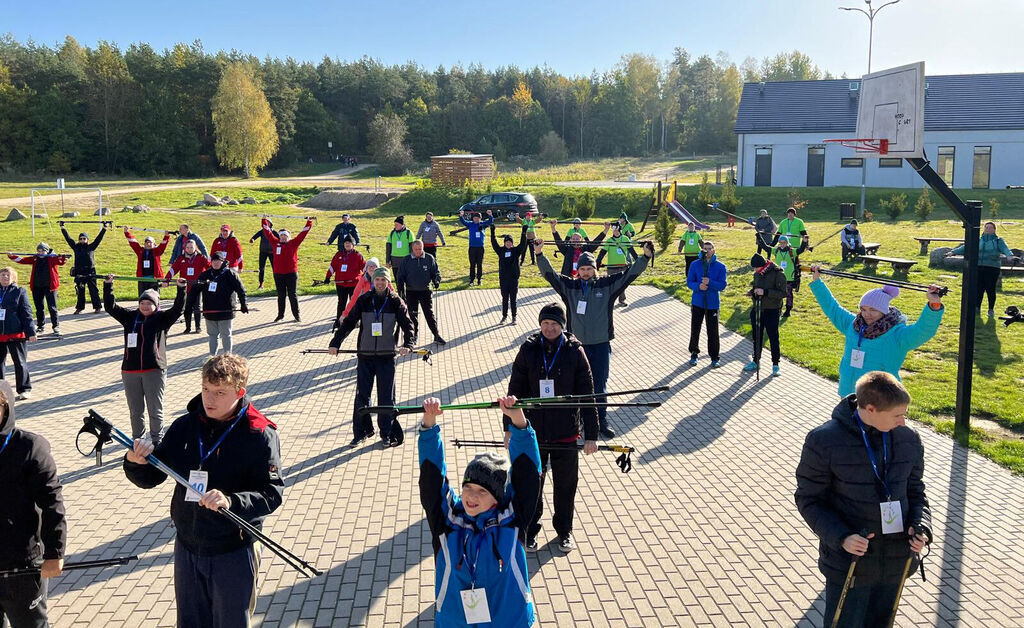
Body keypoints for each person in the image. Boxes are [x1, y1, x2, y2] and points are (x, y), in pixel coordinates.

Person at [124, 354, 283, 628]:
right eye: (206, 389)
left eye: (220, 392)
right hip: (188, 546)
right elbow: (153, 475)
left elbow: (272, 493)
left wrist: (232, 501)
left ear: (239, 391)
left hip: (233, 550)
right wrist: (134, 463)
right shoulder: (186, 426)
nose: (210, 399)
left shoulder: (259, 434)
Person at [795, 371, 932, 627]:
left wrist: (921, 526)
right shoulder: (824, 441)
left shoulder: (908, 438)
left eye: (904, 414)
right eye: (897, 415)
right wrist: (841, 537)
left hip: (895, 561)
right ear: (870, 408)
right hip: (851, 564)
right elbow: (809, 499)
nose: (903, 422)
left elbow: (916, 491)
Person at [418, 395, 541, 627]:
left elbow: (527, 475)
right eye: (467, 487)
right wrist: (429, 425)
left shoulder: (511, 520)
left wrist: (518, 421)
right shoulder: (448, 521)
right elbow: (431, 479)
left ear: (497, 498)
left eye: (483, 492)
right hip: (456, 621)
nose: (472, 496)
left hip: (510, 621)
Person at [537, 241, 653, 438]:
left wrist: (645, 257)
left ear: (595, 268)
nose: (585, 272)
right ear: (577, 270)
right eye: (582, 269)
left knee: (599, 384)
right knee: (575, 385)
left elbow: (630, 274)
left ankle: (601, 421)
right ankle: (578, 422)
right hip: (576, 347)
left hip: (600, 345)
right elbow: (551, 276)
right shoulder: (570, 287)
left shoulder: (607, 285)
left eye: (589, 268)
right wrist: (539, 255)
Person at [506, 302, 597, 553]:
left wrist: (592, 435)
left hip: (566, 432)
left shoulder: (575, 352)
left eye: (554, 324)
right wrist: (509, 429)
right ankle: (530, 530)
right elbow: (514, 393)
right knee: (531, 484)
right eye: (545, 323)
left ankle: (564, 531)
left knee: (566, 486)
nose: (549, 328)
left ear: (562, 326)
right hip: (533, 434)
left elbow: (588, 397)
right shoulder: (528, 349)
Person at [809, 266, 944, 397]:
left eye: (873, 309)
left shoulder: (897, 335)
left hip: (879, 399)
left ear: (884, 311)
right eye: (863, 309)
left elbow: (923, 330)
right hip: (848, 393)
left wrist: (934, 305)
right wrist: (817, 282)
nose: (867, 314)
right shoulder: (853, 325)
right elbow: (832, 308)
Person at [0, 380, 66, 628]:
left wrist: (55, 553)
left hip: (23, 565)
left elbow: (52, 502)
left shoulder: (31, 447)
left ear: (5, 409)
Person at [329, 267, 415, 447]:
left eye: (384, 280)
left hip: (386, 357)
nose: (380, 283)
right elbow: (349, 323)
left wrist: (408, 345)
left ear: (388, 282)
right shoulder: (364, 300)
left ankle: (387, 433)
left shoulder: (395, 301)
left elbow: (408, 325)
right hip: (365, 356)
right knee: (362, 396)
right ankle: (362, 432)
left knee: (386, 398)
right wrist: (335, 343)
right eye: (377, 280)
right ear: (373, 281)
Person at [104, 275, 187, 444]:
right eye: (142, 303)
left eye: (149, 303)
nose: (145, 306)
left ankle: (157, 441)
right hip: (130, 370)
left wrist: (181, 289)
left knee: (154, 409)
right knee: (135, 410)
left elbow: (178, 309)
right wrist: (108, 285)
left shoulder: (162, 319)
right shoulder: (130, 317)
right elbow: (110, 307)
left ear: (156, 305)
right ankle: (138, 440)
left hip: (153, 370)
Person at [946, 221, 1016, 317]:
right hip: (979, 267)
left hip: (992, 268)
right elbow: (966, 247)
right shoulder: (978, 240)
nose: (988, 229)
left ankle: (990, 309)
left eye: (990, 227)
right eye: (986, 227)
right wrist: (953, 252)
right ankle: (977, 308)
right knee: (979, 289)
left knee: (990, 289)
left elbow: (1005, 249)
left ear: (994, 230)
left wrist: (1010, 256)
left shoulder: (998, 241)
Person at [188, 252, 249, 356]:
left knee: (226, 335)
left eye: (218, 261)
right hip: (210, 311)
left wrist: (244, 304)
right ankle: (212, 356)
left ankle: (227, 356)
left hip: (226, 311)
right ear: (211, 262)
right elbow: (194, 291)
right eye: (214, 261)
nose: (216, 263)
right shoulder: (205, 275)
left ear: (222, 261)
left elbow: (241, 289)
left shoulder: (230, 274)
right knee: (212, 335)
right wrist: (188, 306)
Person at [262, 216, 313, 323]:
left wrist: (309, 222)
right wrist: (264, 220)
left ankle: (297, 315)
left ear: (288, 237)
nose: (283, 237)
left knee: (292, 295)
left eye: (285, 236)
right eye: (282, 236)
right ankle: (280, 315)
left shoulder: (293, 243)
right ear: (279, 237)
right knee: (281, 296)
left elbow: (303, 234)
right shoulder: (275, 243)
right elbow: (267, 232)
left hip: (291, 274)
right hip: (278, 274)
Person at [8, 245, 67, 336]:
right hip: (37, 287)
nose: (40, 253)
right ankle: (40, 326)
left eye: (42, 251)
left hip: (50, 287)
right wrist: (12, 256)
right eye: (38, 251)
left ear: (46, 251)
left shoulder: (52, 258)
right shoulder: (35, 258)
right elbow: (22, 260)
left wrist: (63, 257)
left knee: (52, 307)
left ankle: (56, 326)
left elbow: (61, 262)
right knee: (39, 308)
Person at [743, 254, 787, 377]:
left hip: (772, 310)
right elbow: (756, 287)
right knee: (757, 337)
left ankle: (775, 364)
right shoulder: (757, 274)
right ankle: (756, 361)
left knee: (773, 337)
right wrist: (752, 292)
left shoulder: (778, 273)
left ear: (763, 265)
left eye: (756, 268)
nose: (755, 270)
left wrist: (765, 292)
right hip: (757, 309)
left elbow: (783, 293)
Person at [395, 240, 445, 345]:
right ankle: (413, 336)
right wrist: (400, 288)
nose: (418, 251)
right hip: (411, 291)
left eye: (420, 249)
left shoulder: (429, 258)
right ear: (412, 249)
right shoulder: (407, 260)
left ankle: (436, 335)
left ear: (423, 248)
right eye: (416, 249)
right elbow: (400, 276)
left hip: (425, 291)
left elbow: (436, 272)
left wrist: (436, 280)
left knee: (429, 314)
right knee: (412, 316)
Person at [686, 241, 727, 367]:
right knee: (695, 328)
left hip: (712, 304)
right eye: (705, 248)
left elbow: (722, 285)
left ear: (714, 250)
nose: (707, 251)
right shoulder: (695, 264)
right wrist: (698, 286)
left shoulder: (720, 267)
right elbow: (689, 282)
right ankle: (694, 352)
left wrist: (710, 283)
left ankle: (714, 357)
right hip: (698, 302)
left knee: (713, 331)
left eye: (710, 249)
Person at [0, 267, 36, 401]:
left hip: (16, 332)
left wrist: (31, 331)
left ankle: (24, 389)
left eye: (7, 275)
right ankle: (1, 391)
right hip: (0, 334)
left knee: (20, 362)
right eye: (2, 275)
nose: (4, 277)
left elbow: (26, 312)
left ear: (13, 278)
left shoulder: (20, 291)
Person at [60, 221, 107, 314]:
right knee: (80, 291)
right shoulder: (76, 247)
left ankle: (97, 307)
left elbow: (99, 239)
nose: (82, 240)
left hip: (90, 271)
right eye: (80, 238)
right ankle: (80, 307)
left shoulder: (91, 247)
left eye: (84, 238)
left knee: (93, 290)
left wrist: (104, 228)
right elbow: (68, 239)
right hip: (79, 272)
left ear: (87, 239)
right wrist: (62, 227)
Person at [166, 240, 211, 334]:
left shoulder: (201, 257)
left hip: (197, 286)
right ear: (185, 248)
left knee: (197, 307)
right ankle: (188, 327)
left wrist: (211, 278)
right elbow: (173, 269)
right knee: (187, 308)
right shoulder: (181, 258)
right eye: (188, 247)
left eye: (191, 247)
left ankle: (198, 327)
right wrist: (167, 279)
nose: (190, 249)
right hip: (185, 287)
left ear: (195, 248)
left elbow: (210, 268)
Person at [325, 236, 365, 331]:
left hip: (354, 284)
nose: (347, 244)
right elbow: (332, 267)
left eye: (349, 243)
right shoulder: (339, 254)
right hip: (340, 284)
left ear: (353, 245)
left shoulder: (358, 255)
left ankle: (355, 321)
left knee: (354, 303)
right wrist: (327, 276)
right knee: (341, 303)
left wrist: (368, 278)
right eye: (346, 243)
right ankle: (339, 320)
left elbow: (364, 268)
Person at [491, 224, 529, 324]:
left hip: (513, 279)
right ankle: (504, 317)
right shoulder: (501, 251)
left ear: (512, 243)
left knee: (513, 300)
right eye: (506, 242)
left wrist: (523, 232)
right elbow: (494, 244)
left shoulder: (516, 251)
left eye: (510, 242)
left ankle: (514, 317)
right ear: (504, 243)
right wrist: (492, 232)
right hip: (503, 279)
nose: (508, 243)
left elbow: (522, 244)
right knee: (504, 299)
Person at [596, 223, 638, 307]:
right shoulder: (609, 241)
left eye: (616, 230)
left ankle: (621, 300)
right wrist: (598, 261)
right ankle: (609, 301)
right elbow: (602, 252)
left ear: (619, 230)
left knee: (621, 284)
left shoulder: (625, 239)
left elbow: (632, 251)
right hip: (611, 267)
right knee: (610, 284)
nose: (614, 232)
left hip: (622, 266)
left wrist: (638, 261)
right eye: (613, 230)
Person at [124, 227, 172, 297]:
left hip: (154, 278)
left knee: (154, 296)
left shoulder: (157, 251)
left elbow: (163, 245)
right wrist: (127, 232)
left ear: (154, 244)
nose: (148, 244)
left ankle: (156, 307)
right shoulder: (140, 251)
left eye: (150, 243)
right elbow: (133, 242)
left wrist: (166, 236)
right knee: (142, 296)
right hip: (142, 278)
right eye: (146, 242)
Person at [458, 209, 494, 285]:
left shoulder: (483, 224)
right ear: (473, 218)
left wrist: (490, 215)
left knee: (479, 264)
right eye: (475, 217)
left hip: (480, 247)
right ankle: (472, 279)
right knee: (472, 264)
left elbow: (490, 221)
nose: (476, 219)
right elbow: (463, 221)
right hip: (472, 247)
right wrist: (461, 216)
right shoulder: (470, 224)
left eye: (478, 217)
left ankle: (479, 279)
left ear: (480, 218)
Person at [772, 236, 805, 318]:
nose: (782, 244)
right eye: (781, 243)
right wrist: (759, 236)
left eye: (784, 242)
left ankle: (788, 311)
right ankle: (778, 309)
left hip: (789, 278)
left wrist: (804, 241)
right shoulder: (776, 250)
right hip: (778, 277)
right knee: (778, 295)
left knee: (788, 294)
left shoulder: (792, 252)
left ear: (787, 243)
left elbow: (801, 250)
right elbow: (765, 247)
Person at [385, 216, 415, 288]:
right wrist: (387, 261)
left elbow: (413, 247)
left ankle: (409, 297)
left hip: (406, 259)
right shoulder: (392, 233)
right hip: (395, 260)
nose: (395, 226)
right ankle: (401, 297)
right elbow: (388, 248)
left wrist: (412, 259)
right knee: (398, 281)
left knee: (408, 280)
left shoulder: (409, 233)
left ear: (402, 225)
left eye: (397, 224)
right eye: (394, 224)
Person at [249, 219, 277, 290]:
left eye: (267, 223)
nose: (266, 224)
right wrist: (252, 239)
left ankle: (278, 283)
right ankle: (261, 284)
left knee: (275, 268)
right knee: (261, 268)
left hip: (272, 253)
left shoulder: (273, 232)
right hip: (263, 252)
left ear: (270, 224)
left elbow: (280, 238)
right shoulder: (262, 231)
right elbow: (256, 236)